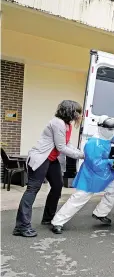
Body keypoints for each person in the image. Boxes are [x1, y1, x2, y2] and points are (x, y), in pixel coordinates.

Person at [13, 100, 85, 237]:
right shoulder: (57, 123)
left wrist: (80, 152)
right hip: (41, 158)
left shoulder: (67, 125)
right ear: (70, 111)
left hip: (52, 160)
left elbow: (67, 143)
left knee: (57, 186)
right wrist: (82, 155)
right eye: (78, 112)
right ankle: (21, 226)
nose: (80, 115)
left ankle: (48, 218)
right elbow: (61, 147)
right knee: (32, 189)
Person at [51, 115, 114, 234]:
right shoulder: (93, 143)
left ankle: (100, 213)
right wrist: (110, 161)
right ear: (101, 128)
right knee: (79, 198)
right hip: (91, 175)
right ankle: (57, 222)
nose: (111, 132)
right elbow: (96, 163)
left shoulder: (109, 139)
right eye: (109, 129)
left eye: (113, 129)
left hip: (106, 173)